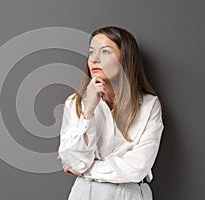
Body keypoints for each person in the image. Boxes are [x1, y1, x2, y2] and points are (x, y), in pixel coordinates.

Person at [57, 26, 164, 200]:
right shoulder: (75, 104)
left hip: (130, 195)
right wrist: (88, 111)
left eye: (105, 52)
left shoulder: (149, 105)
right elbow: (73, 160)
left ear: (125, 58)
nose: (95, 60)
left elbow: (137, 168)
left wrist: (86, 169)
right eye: (92, 52)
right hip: (85, 194)